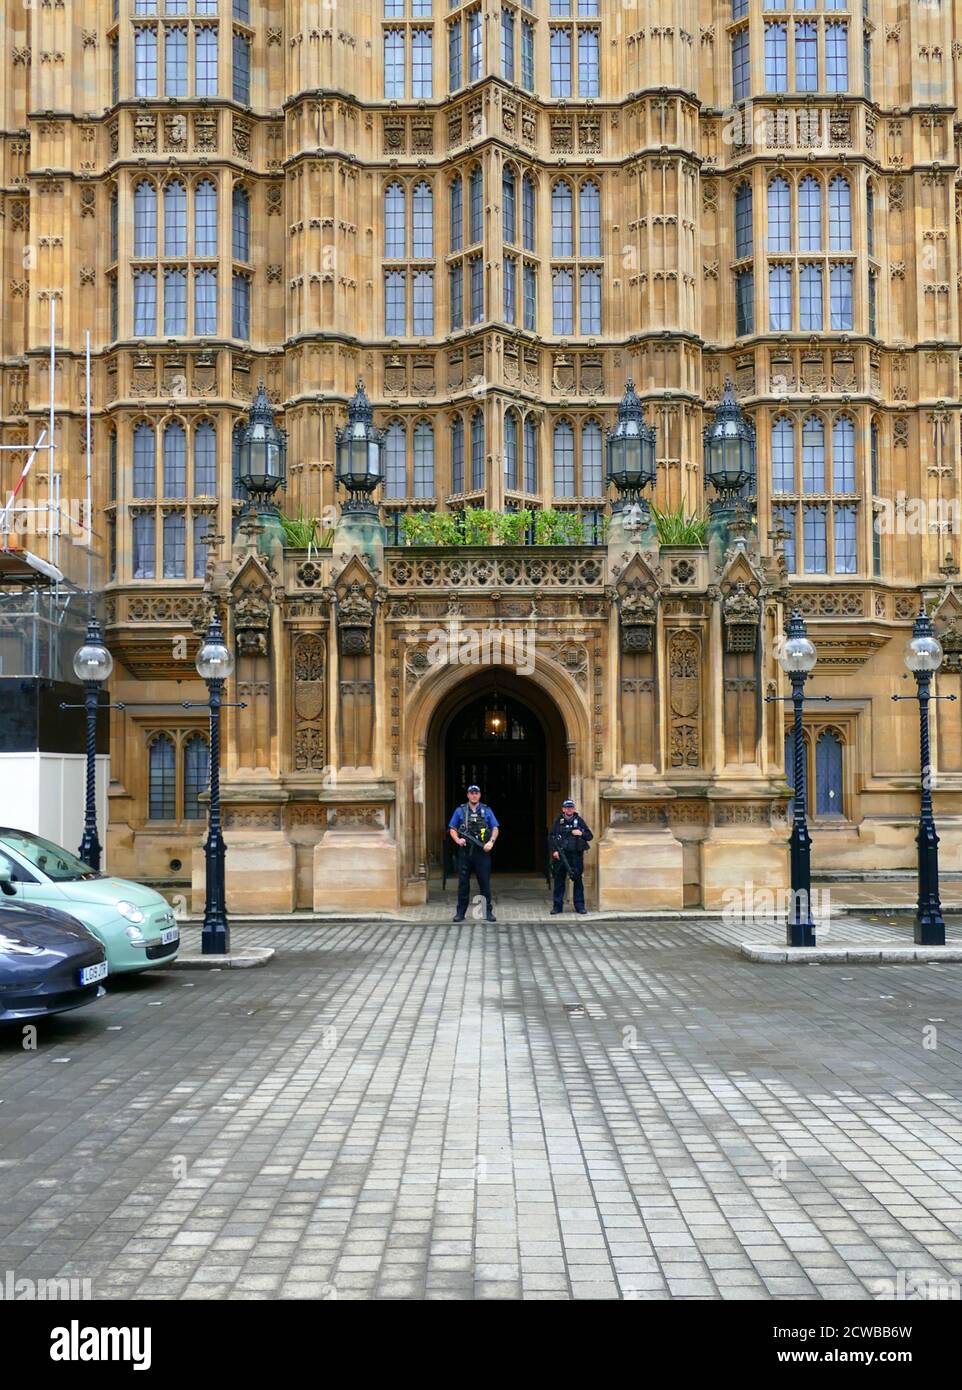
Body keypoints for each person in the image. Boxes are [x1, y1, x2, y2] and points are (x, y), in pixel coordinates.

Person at [448, 785, 499, 923]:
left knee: (484, 883)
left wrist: (491, 842)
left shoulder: (487, 810)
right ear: (468, 795)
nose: (474, 795)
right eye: (472, 793)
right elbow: (452, 828)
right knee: (463, 884)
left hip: (481, 852)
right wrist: (458, 840)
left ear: (480, 795)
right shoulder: (460, 811)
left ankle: (487, 912)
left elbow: (495, 827)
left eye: (476, 793)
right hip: (465, 852)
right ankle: (460, 913)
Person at [549, 799, 593, 915]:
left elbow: (589, 836)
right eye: (567, 807)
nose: (569, 809)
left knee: (577, 880)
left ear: (574, 809)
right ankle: (557, 907)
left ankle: (579, 906)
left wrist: (581, 833)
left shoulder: (579, 821)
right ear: (563, 809)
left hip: (575, 856)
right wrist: (554, 851)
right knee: (559, 881)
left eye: (571, 807)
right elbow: (551, 837)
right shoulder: (558, 821)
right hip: (561, 856)